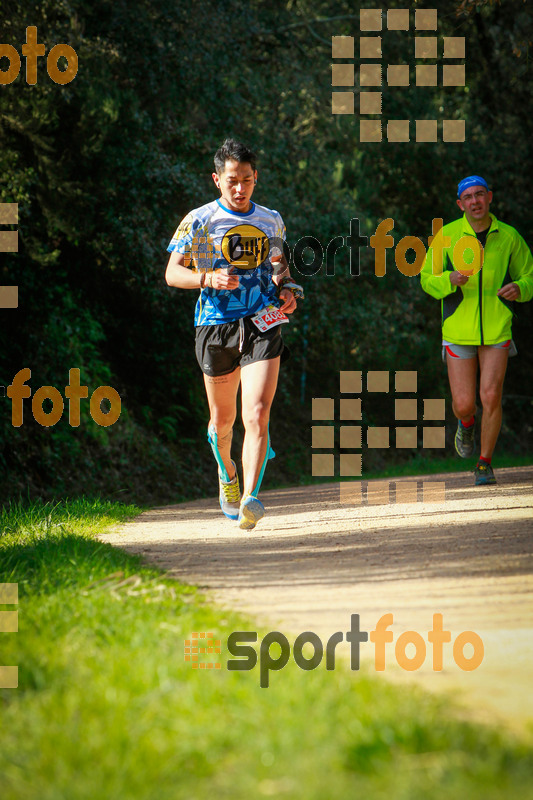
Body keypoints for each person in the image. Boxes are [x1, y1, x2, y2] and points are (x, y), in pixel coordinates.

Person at [165, 138, 302, 528]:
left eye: (246, 180)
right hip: (215, 325)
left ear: (255, 178)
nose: (239, 188)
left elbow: (280, 268)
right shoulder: (200, 220)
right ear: (216, 179)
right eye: (231, 180)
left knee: (257, 414)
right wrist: (207, 275)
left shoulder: (271, 219)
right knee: (222, 422)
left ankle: (250, 500)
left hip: (262, 321)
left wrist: (289, 290)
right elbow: (172, 273)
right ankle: (227, 473)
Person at [421, 175, 533, 485]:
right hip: (458, 329)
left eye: (479, 195)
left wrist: (520, 287)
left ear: (489, 197)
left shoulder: (509, 236)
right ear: (460, 204)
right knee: (464, 404)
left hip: (497, 328)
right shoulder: (448, 235)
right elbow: (427, 279)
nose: (475, 201)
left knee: (491, 395)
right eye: (468, 197)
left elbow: (530, 276)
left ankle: (484, 463)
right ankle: (466, 423)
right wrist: (448, 280)